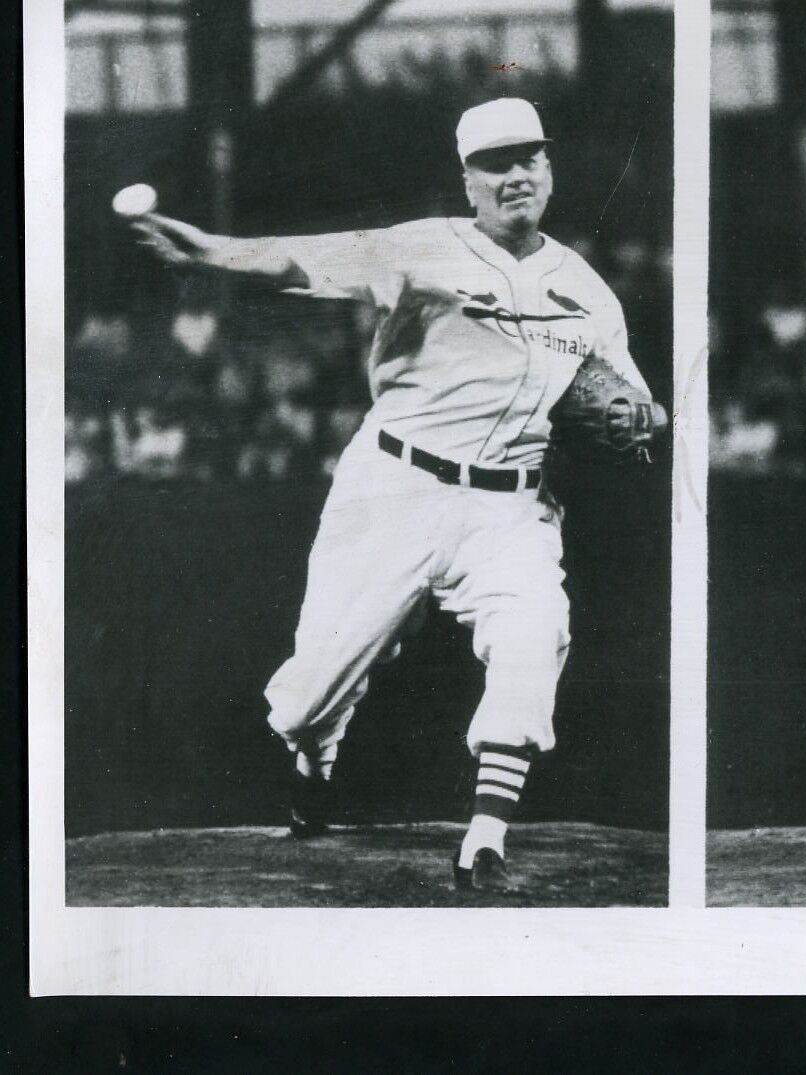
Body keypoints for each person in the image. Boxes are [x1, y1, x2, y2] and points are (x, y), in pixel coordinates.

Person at [131, 98, 660, 894]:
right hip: (395, 485)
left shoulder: (588, 294)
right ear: (469, 180)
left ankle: (485, 835)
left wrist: (642, 419)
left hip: (509, 506)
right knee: (311, 691)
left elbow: (633, 409)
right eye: (496, 162)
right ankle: (316, 755)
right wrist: (210, 252)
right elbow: (300, 261)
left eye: (531, 157)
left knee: (536, 630)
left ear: (550, 168)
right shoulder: (420, 248)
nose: (516, 174)